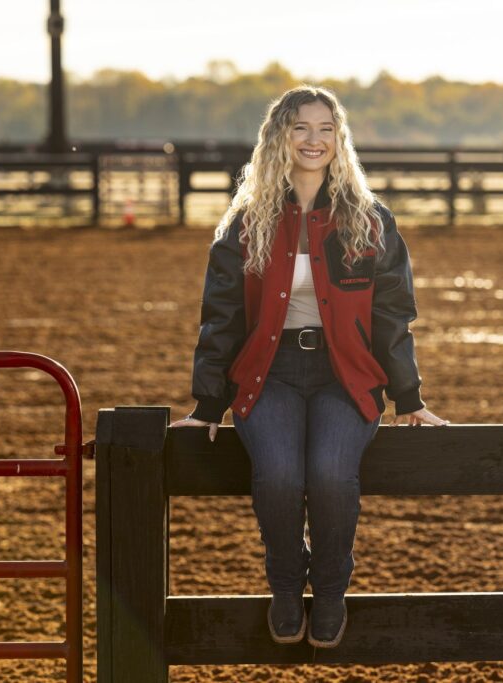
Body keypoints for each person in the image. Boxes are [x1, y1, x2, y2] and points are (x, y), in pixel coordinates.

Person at [169, 85, 449, 649]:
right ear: (279, 138)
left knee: (328, 475)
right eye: (300, 128)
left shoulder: (369, 221)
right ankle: (284, 585)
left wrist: (410, 397)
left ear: (339, 139)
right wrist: (206, 407)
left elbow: (393, 313)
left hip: (344, 375)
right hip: (268, 373)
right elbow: (220, 317)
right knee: (277, 477)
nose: (313, 139)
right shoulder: (246, 223)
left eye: (325, 129)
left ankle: (329, 589)